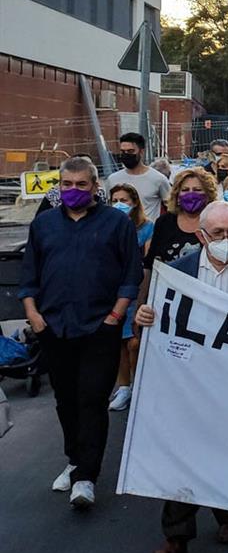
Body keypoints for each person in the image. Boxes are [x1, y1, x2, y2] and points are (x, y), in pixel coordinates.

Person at [133, 201, 228, 553]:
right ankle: (176, 537)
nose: (226, 240)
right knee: (182, 454)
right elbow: (158, 317)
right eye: (218, 233)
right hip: (189, 381)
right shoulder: (176, 272)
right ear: (201, 235)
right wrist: (145, 316)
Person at [20, 156, 141, 508]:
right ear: (59, 187)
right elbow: (29, 275)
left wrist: (116, 315)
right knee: (65, 400)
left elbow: (131, 274)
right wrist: (33, 316)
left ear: (95, 187)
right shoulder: (43, 225)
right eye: (67, 185)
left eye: (81, 185)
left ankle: (86, 476)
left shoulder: (116, 224)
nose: (73, 191)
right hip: (53, 327)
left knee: (91, 399)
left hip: (99, 327)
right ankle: (74, 458)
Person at [104, 184, 155, 412]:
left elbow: (147, 262)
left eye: (124, 200)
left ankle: (139, 385)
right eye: (115, 199)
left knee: (135, 343)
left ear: (134, 202)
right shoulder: (105, 227)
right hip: (111, 292)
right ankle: (124, 387)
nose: (119, 204)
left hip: (136, 291)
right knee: (118, 345)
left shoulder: (146, 228)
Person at [147, 169, 219, 266]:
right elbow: (150, 262)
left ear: (208, 195)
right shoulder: (164, 222)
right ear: (177, 195)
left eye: (197, 190)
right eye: (185, 190)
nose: (191, 194)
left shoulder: (219, 221)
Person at [105, 132, 171, 220]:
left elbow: (170, 206)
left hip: (149, 232)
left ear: (141, 152)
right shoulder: (112, 179)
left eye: (130, 151)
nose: (126, 155)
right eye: (123, 152)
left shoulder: (158, 179)